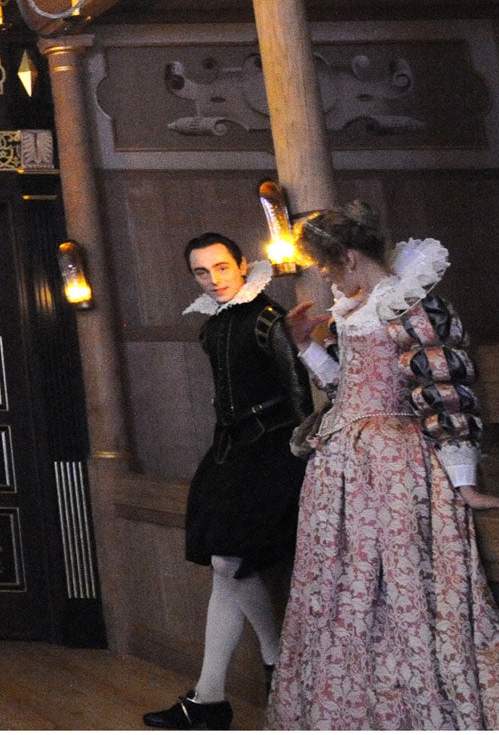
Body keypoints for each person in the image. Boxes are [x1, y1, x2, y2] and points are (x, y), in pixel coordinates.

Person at [267, 201, 499, 729]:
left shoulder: (410, 304)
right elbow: (348, 389)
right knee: (343, 591)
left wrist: (464, 483)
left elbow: (445, 392)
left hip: (395, 465)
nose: (325, 275)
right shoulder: (352, 307)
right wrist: (306, 346)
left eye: (327, 265)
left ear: (350, 257)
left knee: (402, 590)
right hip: (344, 469)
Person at [144, 233, 310, 730]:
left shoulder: (266, 318)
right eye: (201, 272)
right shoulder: (213, 326)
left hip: (274, 450)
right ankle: (216, 693)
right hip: (230, 451)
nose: (213, 279)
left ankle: (262, 667)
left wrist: (304, 457)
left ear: (242, 265)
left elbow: (298, 391)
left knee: (228, 561)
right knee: (223, 565)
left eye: (221, 268)